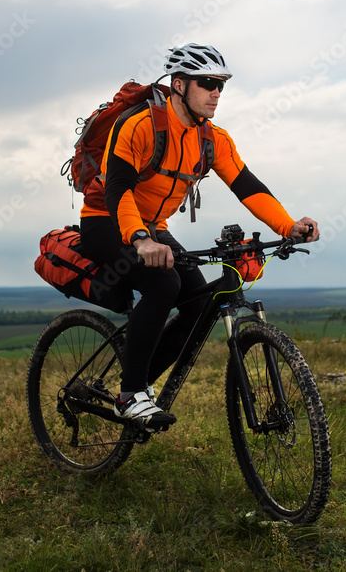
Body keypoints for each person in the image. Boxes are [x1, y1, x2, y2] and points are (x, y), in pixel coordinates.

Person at [77, 43, 320, 431]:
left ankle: (138, 381)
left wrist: (287, 226)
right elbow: (118, 189)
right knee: (164, 283)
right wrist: (140, 240)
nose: (216, 93)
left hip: (155, 229)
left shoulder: (212, 139)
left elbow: (246, 185)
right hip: (106, 221)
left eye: (221, 85)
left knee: (198, 302)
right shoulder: (139, 124)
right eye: (207, 83)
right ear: (178, 85)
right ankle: (130, 394)